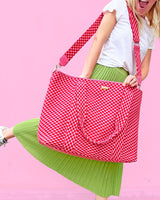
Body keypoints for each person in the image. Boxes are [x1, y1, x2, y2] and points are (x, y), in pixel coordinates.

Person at [0, 0, 160, 199]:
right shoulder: (118, 7)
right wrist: (85, 76)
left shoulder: (150, 29)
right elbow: (98, 39)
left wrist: (136, 78)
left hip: (125, 88)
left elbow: (144, 68)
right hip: (103, 77)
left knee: (112, 148)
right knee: (65, 127)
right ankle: (8, 132)